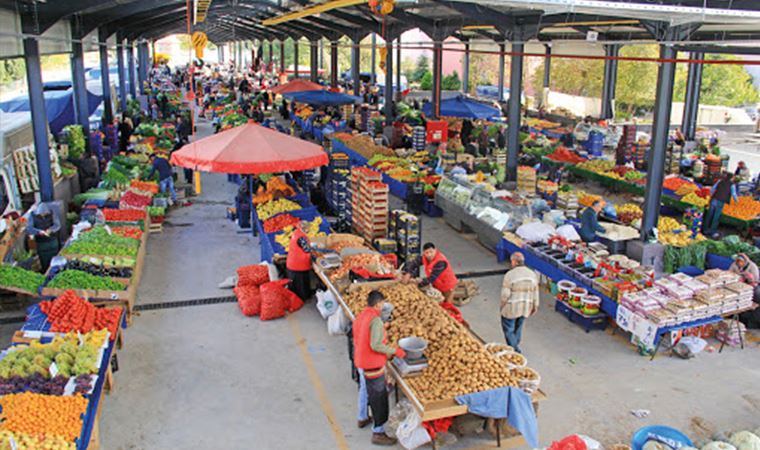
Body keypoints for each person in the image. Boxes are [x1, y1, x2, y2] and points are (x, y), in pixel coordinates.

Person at [353, 290, 405, 446]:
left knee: (364, 389)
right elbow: (376, 345)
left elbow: (357, 336)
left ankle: (362, 417)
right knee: (379, 398)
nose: (383, 306)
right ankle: (378, 432)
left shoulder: (361, 316)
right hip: (372, 365)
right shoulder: (375, 321)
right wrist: (396, 351)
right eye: (382, 303)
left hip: (361, 361)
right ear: (377, 304)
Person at [500, 252, 539, 353]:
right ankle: (515, 345)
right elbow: (535, 292)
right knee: (518, 328)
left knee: (508, 330)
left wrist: (502, 306)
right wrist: (535, 306)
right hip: (526, 307)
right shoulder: (532, 274)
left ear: (514, 262)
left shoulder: (510, 275)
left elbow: (505, 295)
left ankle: (515, 351)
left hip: (512, 308)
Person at [27, 203, 61, 272]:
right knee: (45, 263)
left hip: (52, 242)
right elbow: (29, 228)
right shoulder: (32, 215)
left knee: (55, 261)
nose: (43, 215)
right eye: (41, 214)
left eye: (45, 214)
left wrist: (50, 230)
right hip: (41, 244)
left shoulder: (52, 213)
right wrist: (38, 232)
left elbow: (57, 225)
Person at [703, 172, 738, 237]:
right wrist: (736, 201)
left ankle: (705, 230)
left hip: (714, 199)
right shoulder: (732, 185)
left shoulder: (720, 181)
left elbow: (712, 189)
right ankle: (712, 231)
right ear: (732, 178)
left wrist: (710, 196)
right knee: (716, 216)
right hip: (720, 201)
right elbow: (734, 194)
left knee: (709, 214)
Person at [286, 223, 314, 301]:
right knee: (301, 284)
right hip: (298, 264)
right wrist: (314, 248)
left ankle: (296, 298)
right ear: (305, 229)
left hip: (292, 263)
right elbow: (307, 249)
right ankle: (302, 299)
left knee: (295, 284)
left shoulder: (296, 233)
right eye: (308, 229)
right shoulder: (301, 237)